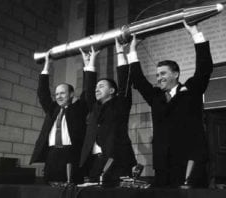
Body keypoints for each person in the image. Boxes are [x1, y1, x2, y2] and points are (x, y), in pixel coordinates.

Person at [129, 23, 213, 188]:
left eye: (163, 73)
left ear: (176, 74)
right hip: (163, 166)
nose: (159, 78)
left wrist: (194, 32)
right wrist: (132, 49)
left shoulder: (190, 91)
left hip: (189, 163)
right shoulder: (156, 97)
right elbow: (138, 80)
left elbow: (204, 68)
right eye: (157, 74)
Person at [79, 41, 137, 186]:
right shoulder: (94, 107)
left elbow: (124, 82)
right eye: (96, 87)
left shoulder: (121, 104)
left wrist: (119, 52)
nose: (97, 89)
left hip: (118, 161)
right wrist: (90, 61)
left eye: (101, 86)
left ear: (112, 91)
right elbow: (88, 87)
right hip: (94, 162)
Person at [30, 51, 88, 185]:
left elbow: (87, 91)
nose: (59, 96)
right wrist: (46, 67)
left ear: (72, 94)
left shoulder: (78, 109)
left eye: (62, 93)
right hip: (52, 154)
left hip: (70, 154)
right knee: (49, 189)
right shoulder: (53, 110)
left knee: (70, 189)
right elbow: (43, 93)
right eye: (56, 94)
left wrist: (87, 65)